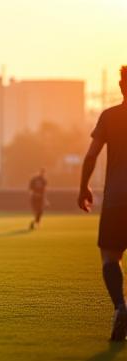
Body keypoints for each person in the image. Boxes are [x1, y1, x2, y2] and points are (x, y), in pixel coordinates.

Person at [78, 66, 127, 341]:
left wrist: (83, 186)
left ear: (121, 86)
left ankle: (120, 306)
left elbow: (90, 156)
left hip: (115, 201)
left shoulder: (109, 117)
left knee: (110, 257)